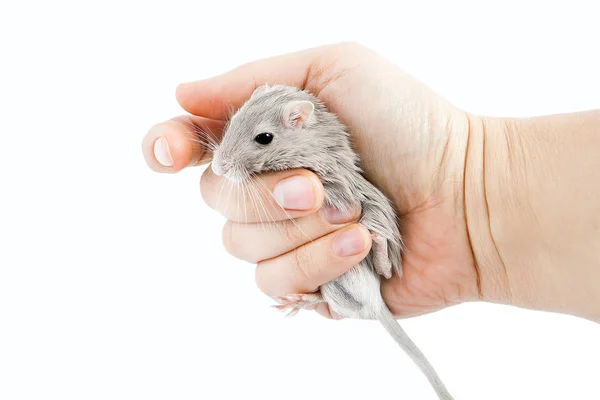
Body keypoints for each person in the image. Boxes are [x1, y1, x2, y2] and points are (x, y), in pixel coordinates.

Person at [141, 42, 600, 323]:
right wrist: (467, 183)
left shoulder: (312, 135)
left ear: (299, 121)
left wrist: (464, 178)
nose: (226, 162)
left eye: (261, 139)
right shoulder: (278, 121)